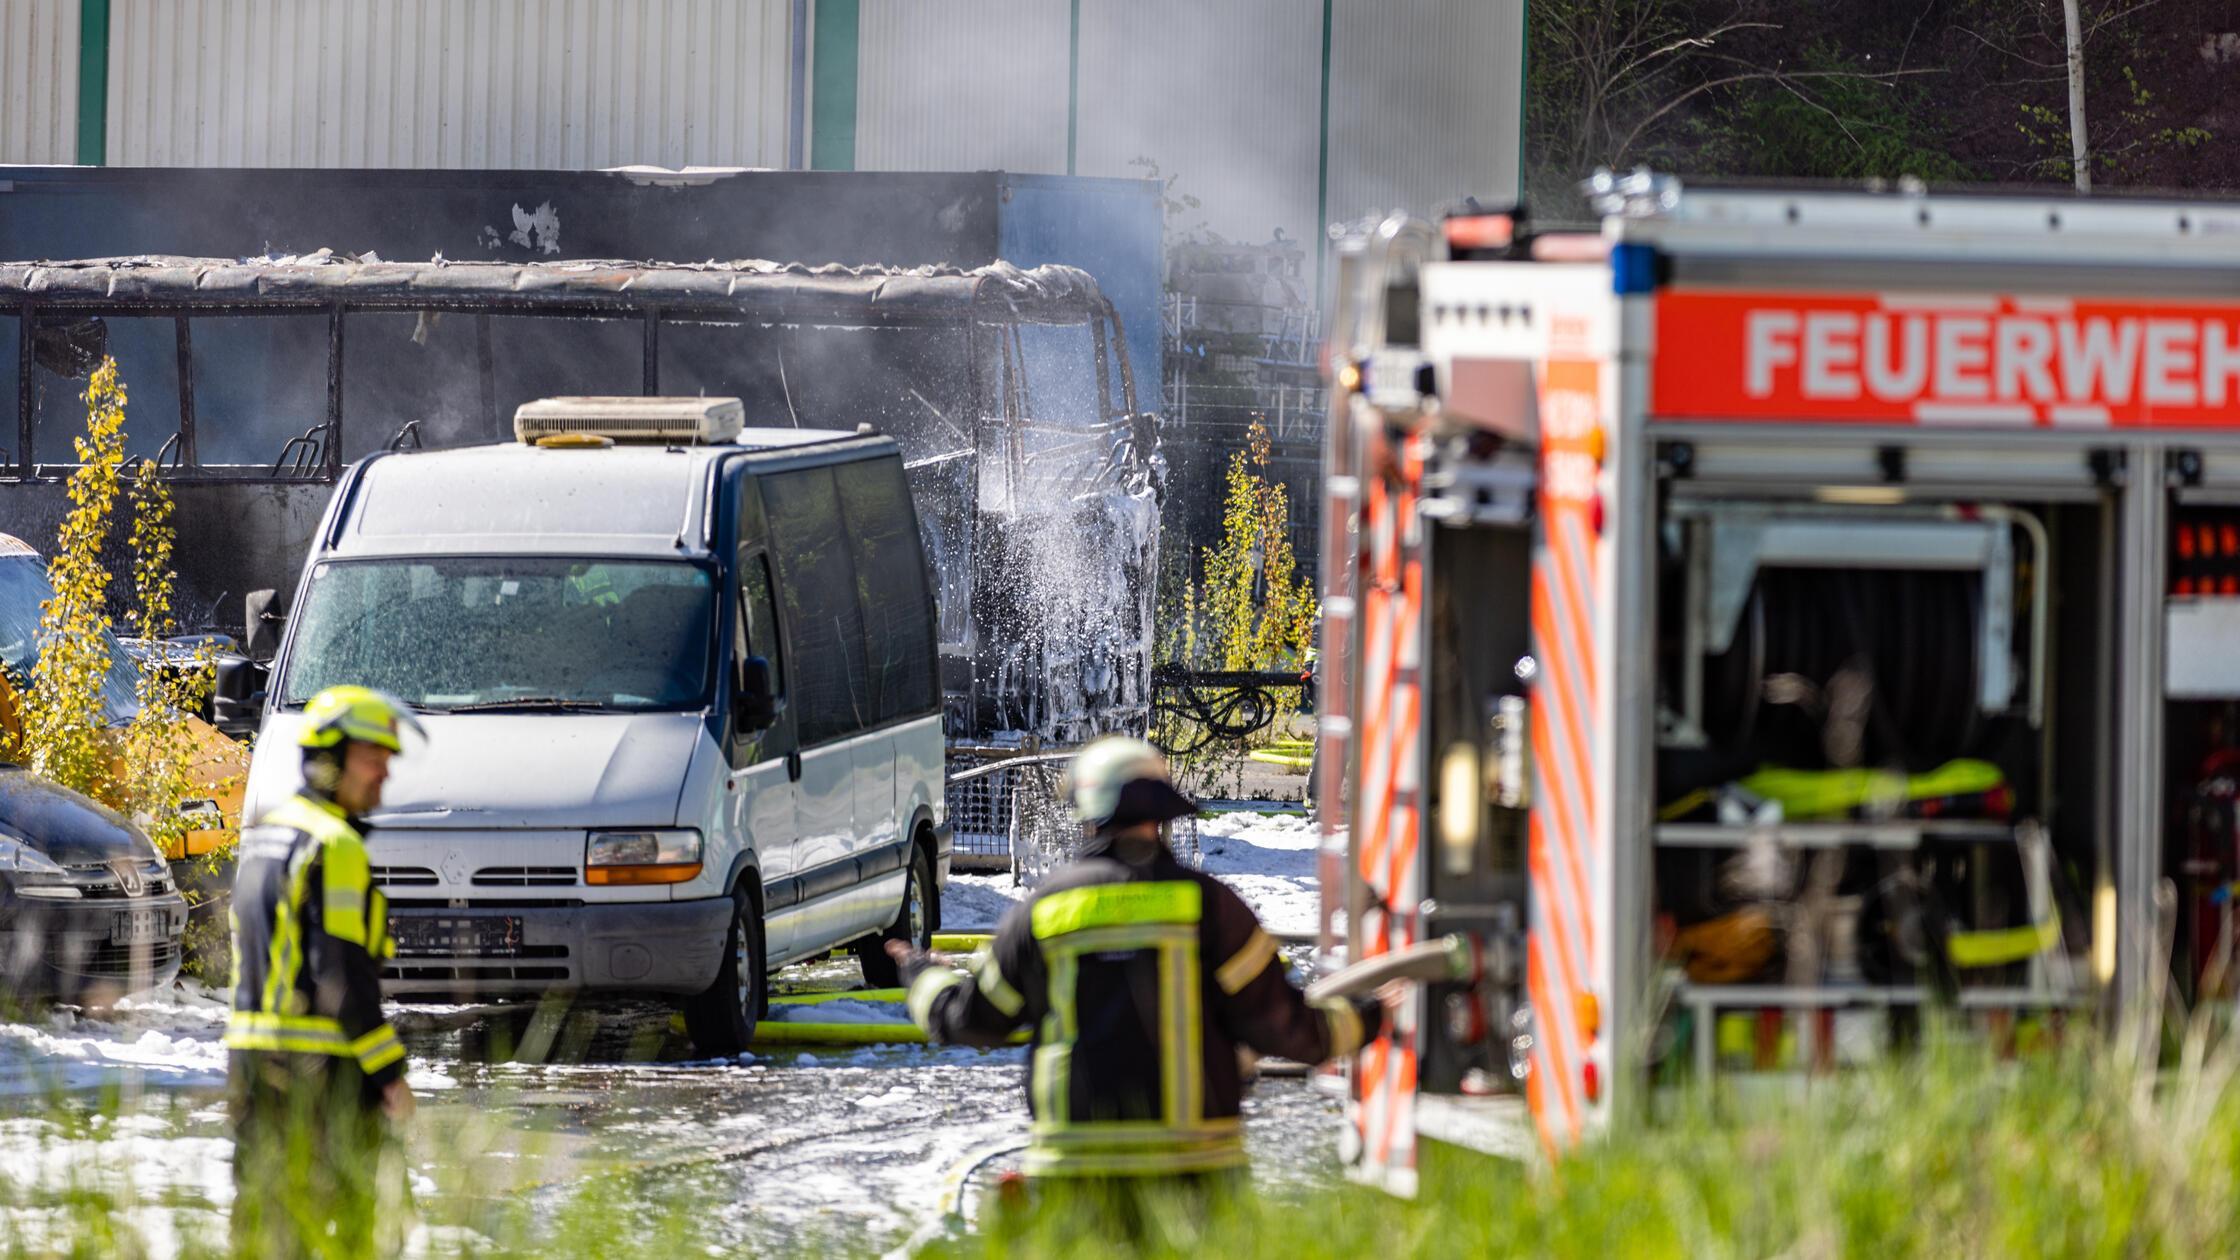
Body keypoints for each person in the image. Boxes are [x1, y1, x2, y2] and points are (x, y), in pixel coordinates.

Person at [892, 735, 1382, 1244]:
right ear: (1161, 813)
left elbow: (972, 1020)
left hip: (1076, 1181)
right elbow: (1288, 1030)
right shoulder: (1211, 908)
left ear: (1087, 813)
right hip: (1196, 1180)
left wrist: (920, 973)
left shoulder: (1044, 914)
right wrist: (1368, 1019)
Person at [225, 685, 424, 1259]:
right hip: (321, 1079)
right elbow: (339, 974)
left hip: (252, 1071)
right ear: (329, 758)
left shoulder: (266, 836)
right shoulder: (335, 845)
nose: (385, 775)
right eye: (374, 759)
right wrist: (388, 1074)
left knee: (264, 1233)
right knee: (348, 1234)